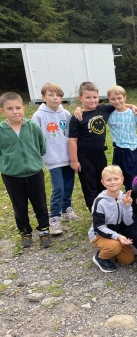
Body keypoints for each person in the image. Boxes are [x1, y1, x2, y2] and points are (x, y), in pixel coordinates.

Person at [69, 82, 137, 211]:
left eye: (95, 97)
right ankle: (94, 210)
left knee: (103, 182)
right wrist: (74, 160)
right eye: (88, 97)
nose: (92, 100)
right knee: (89, 184)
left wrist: (133, 106)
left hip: (100, 155)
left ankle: (105, 207)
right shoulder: (77, 117)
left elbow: (119, 104)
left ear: (98, 97)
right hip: (84, 157)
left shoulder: (102, 109)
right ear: (81, 99)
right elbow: (73, 140)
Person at [0, 92, 52, 248]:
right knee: (19, 205)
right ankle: (25, 232)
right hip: (11, 176)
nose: (15, 111)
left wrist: (34, 161)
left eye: (18, 108)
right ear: (2, 111)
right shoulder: (1, 131)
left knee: (40, 204)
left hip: (34, 173)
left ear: (23, 108)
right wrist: (8, 164)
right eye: (10, 109)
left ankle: (44, 230)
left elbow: (42, 146)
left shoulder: (32, 126)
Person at [31, 83, 80, 235]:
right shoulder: (39, 116)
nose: (55, 98)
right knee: (58, 188)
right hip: (52, 158)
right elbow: (34, 137)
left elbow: (72, 134)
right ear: (43, 97)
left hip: (67, 156)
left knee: (68, 185)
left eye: (58, 95)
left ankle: (66, 209)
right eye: (51, 95)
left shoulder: (65, 113)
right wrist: (40, 154)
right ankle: (54, 219)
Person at [88, 165, 135, 273]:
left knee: (128, 260)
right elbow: (98, 227)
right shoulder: (99, 201)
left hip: (116, 234)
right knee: (115, 246)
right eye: (108, 180)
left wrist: (127, 206)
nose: (113, 182)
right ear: (103, 182)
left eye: (116, 179)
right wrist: (118, 236)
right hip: (98, 234)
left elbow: (128, 222)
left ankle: (111, 248)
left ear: (122, 180)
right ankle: (100, 257)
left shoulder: (124, 197)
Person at [107, 85, 137, 191]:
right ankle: (127, 203)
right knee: (121, 180)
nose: (117, 101)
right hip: (118, 152)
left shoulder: (133, 113)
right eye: (113, 99)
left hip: (133, 151)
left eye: (119, 98)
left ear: (124, 97)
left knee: (136, 180)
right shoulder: (109, 114)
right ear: (109, 99)